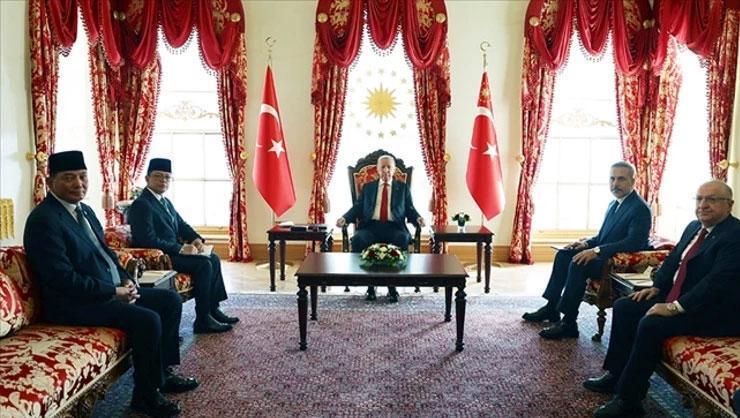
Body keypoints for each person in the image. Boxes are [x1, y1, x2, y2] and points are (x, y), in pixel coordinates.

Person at [23, 151, 196, 417]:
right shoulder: (44, 220)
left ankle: (162, 374)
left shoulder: (85, 211)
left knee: (169, 300)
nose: (78, 184)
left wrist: (126, 279)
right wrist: (113, 291)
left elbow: (106, 253)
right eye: (68, 178)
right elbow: (63, 279)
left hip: (107, 290)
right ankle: (145, 397)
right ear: (50, 182)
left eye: (82, 177)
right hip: (73, 303)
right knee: (148, 320)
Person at [584, 180, 740, 417]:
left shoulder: (735, 235)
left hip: (715, 311)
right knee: (625, 306)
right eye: (699, 199)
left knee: (652, 324)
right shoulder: (694, 227)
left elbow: (716, 283)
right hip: (682, 297)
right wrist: (657, 288)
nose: (703, 205)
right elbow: (673, 259)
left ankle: (629, 401)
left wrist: (675, 307)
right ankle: (616, 375)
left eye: (712, 199)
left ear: (729, 204)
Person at [522, 161, 652, 339]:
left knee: (579, 263)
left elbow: (634, 242)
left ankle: (569, 323)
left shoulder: (640, 208)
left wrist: (596, 251)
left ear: (633, 181)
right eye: (612, 179)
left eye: (621, 179)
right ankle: (552, 308)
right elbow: (602, 237)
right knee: (563, 255)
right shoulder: (614, 204)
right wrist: (585, 244)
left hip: (616, 263)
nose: (615, 184)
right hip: (603, 255)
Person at [128, 158, 238, 334]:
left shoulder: (165, 201)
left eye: (167, 177)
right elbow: (147, 240)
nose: (163, 180)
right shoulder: (142, 204)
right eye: (158, 176)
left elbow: (181, 225)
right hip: (160, 257)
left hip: (172, 252)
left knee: (213, 258)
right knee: (203, 264)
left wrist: (196, 238)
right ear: (147, 178)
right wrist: (180, 248)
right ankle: (202, 319)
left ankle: (212, 309)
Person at [336, 155, 426, 302]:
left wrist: (418, 218)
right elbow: (358, 207)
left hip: (394, 227)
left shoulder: (402, 188)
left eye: (389, 167)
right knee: (358, 239)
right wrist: (345, 218)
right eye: (382, 167)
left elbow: (410, 208)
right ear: (377, 170)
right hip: (371, 227)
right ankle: (370, 286)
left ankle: (393, 287)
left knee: (402, 239)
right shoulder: (368, 187)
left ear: (394, 169)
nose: (385, 170)